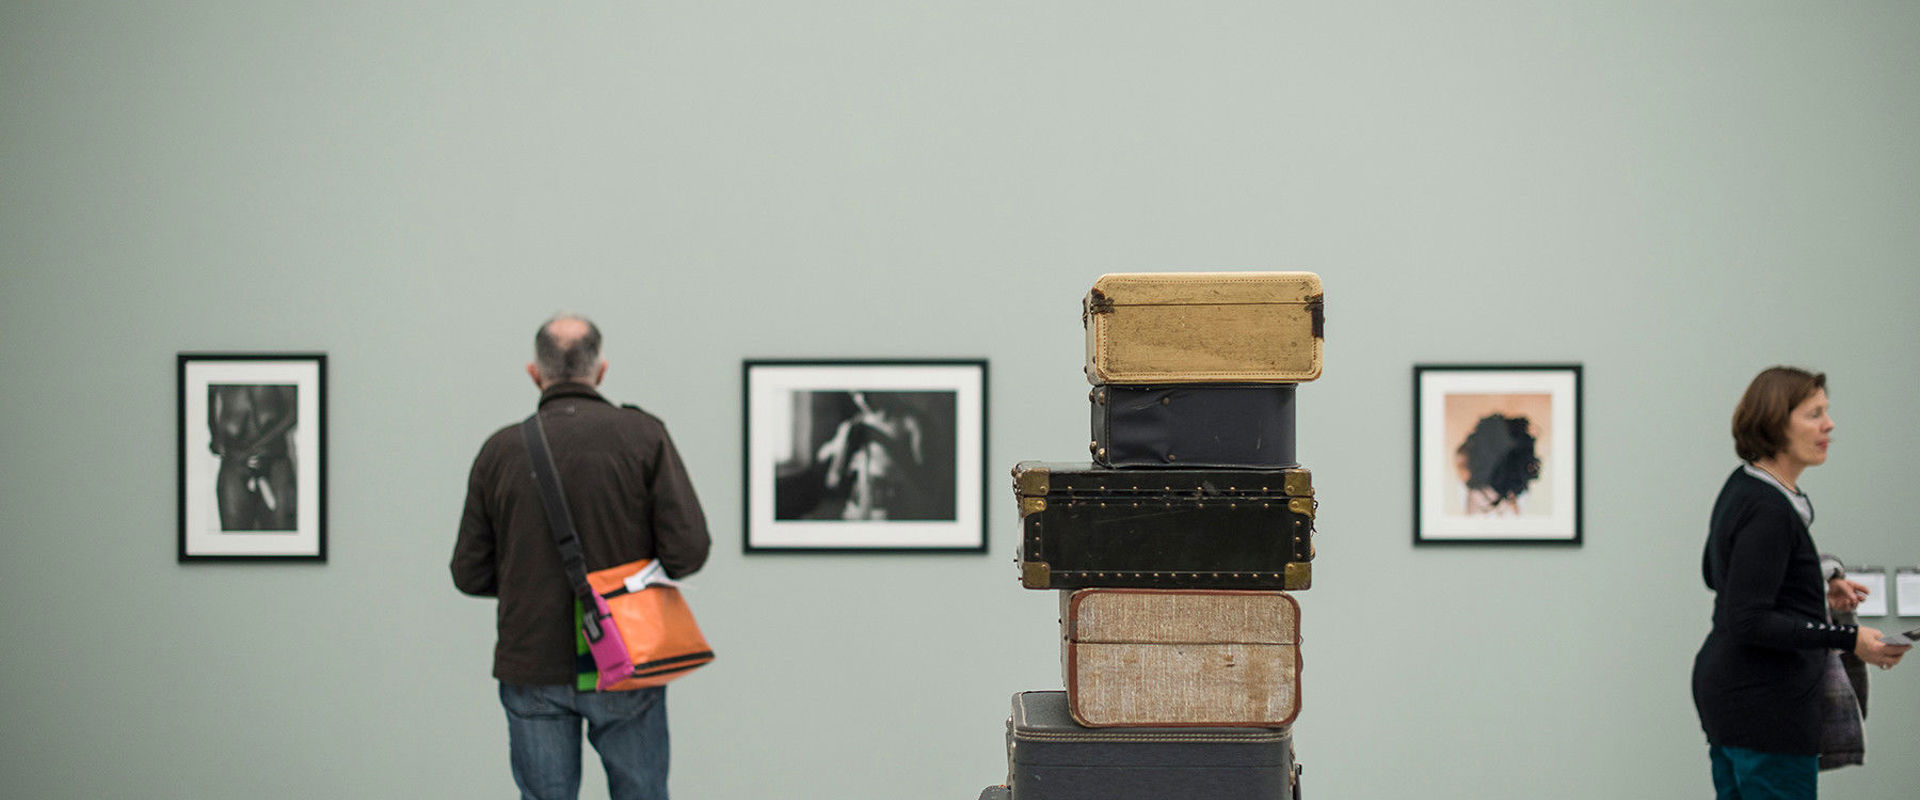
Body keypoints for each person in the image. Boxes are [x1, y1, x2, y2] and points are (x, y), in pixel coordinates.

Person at [452, 314, 711, 800]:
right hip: (626, 655)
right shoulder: (644, 436)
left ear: (535, 373)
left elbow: (468, 572)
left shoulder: (500, 450)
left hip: (533, 661)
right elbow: (688, 551)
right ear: (601, 370)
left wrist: (528, 579)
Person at [1691, 366, 1907, 799]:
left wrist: (1816, 579)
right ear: (1775, 423)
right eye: (1814, 414)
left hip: (1731, 694)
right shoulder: (1770, 510)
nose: (1830, 425)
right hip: (1765, 706)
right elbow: (1749, 619)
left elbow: (1718, 573)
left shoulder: (1746, 486)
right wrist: (1850, 639)